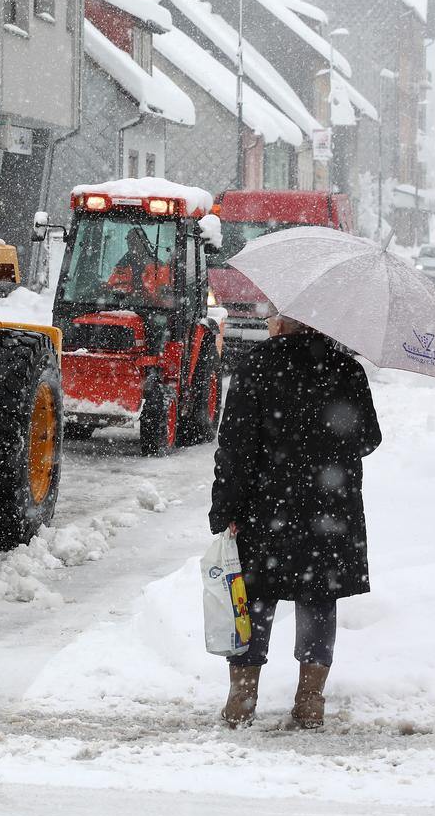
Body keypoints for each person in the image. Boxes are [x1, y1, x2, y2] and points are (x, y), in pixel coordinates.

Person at [209, 310, 381, 729]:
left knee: (255, 596)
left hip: (267, 507)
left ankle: (242, 699)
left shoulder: (258, 364)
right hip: (329, 508)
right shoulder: (347, 369)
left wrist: (226, 508)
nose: (268, 321)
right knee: (319, 597)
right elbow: (368, 438)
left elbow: (235, 445)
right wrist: (325, 445)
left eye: (271, 314)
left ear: (286, 321)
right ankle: (309, 702)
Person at [106, 227, 170, 298]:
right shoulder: (121, 268)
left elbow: (162, 295)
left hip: (151, 308)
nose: (132, 244)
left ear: (145, 242)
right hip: (123, 308)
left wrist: (140, 295)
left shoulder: (159, 267)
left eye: (135, 240)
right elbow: (110, 289)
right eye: (129, 241)